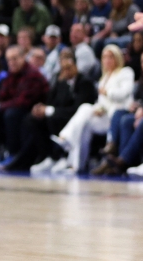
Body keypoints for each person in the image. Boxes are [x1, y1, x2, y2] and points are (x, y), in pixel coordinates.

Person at [50, 45, 134, 175]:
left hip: (118, 114)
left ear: (117, 57)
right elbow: (102, 102)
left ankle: (65, 137)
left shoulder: (126, 72)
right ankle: (77, 165)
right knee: (84, 125)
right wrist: (98, 108)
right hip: (105, 115)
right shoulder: (104, 78)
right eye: (104, 57)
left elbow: (124, 93)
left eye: (110, 56)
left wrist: (107, 92)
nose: (107, 60)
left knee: (84, 108)